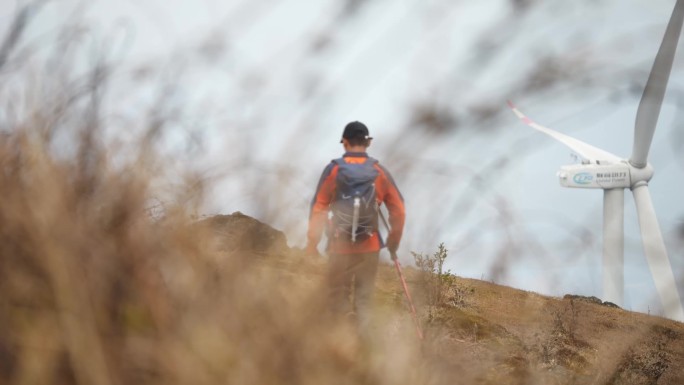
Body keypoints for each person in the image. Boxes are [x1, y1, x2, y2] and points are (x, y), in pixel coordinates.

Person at [306, 121, 405, 334]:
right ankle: (362, 350)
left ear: (346, 143)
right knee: (364, 300)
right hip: (369, 246)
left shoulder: (334, 170)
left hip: (338, 245)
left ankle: (338, 348)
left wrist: (312, 243)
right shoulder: (379, 171)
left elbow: (318, 208)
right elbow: (399, 210)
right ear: (367, 143)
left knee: (336, 298)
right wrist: (393, 241)